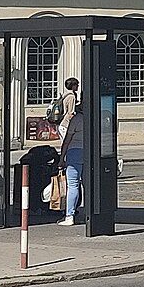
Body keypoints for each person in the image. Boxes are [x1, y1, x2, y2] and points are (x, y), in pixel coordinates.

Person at [58, 75, 85, 226]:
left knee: (73, 184)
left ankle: (70, 216)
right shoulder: (94, 118)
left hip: (74, 151)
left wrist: (62, 158)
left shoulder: (76, 120)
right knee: (87, 184)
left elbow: (67, 140)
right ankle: (90, 211)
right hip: (88, 152)